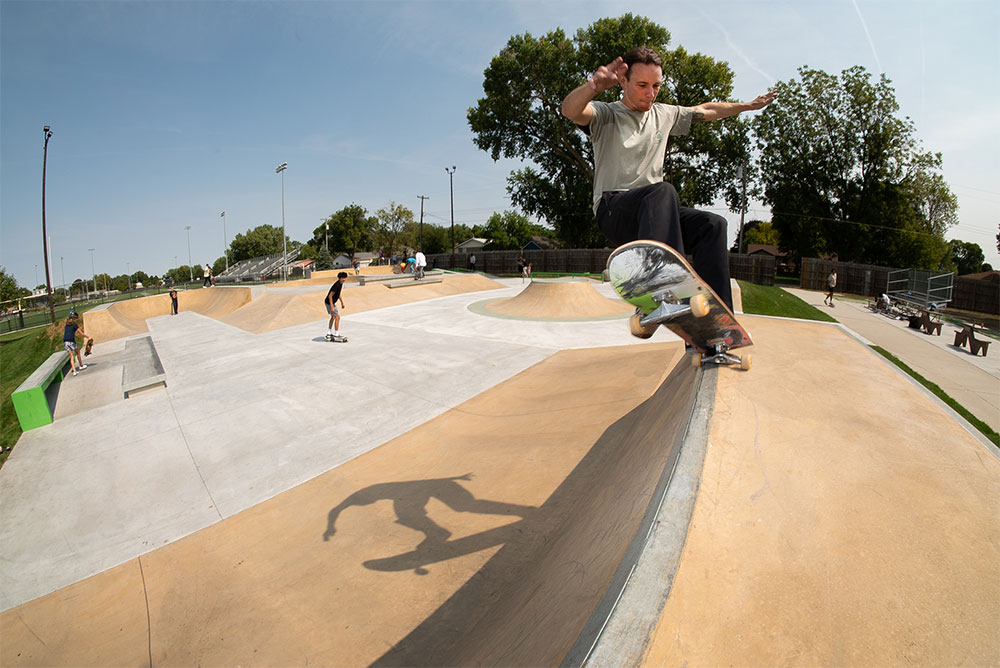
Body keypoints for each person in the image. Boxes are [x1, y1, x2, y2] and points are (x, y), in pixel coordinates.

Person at [561, 46, 776, 310]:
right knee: (663, 192)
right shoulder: (607, 114)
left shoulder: (665, 114)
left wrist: (748, 106)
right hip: (614, 210)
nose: (650, 93)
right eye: (642, 85)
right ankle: (659, 287)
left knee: (713, 225)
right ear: (623, 81)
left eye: (656, 86)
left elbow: (706, 110)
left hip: (656, 218)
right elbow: (570, 110)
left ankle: (717, 323)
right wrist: (593, 85)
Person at [63, 312, 91, 376]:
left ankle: (74, 371)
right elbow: (81, 334)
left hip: (65, 342)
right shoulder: (74, 325)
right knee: (78, 352)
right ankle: (81, 365)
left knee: (71, 357)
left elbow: (68, 333)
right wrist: (88, 337)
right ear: (74, 318)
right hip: (71, 342)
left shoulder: (66, 325)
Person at [324, 272, 348, 342]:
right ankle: (336, 334)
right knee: (337, 317)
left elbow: (338, 294)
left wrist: (342, 302)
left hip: (330, 303)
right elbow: (330, 296)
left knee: (333, 317)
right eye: (343, 279)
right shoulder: (336, 285)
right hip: (329, 303)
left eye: (345, 278)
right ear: (340, 278)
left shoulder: (340, 284)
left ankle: (329, 332)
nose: (344, 280)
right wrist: (332, 306)